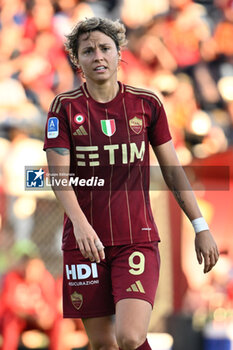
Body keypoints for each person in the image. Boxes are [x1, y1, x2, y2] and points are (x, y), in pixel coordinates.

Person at [43, 17, 219, 350]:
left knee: (130, 336)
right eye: (88, 50)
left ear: (119, 53)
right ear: (76, 60)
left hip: (135, 240)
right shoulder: (64, 108)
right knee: (103, 344)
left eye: (105, 48)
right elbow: (57, 176)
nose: (98, 56)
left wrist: (200, 225)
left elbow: (173, 170)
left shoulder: (146, 103)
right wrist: (80, 225)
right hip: (85, 244)